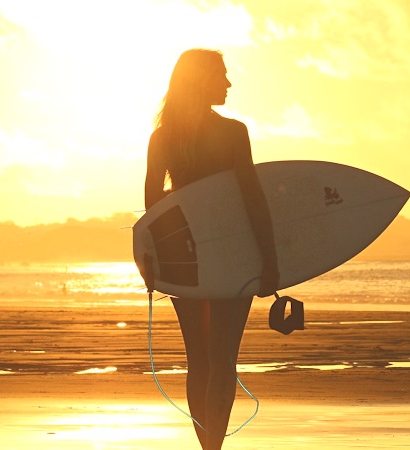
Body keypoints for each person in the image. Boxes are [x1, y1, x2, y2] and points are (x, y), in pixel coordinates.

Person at [145, 49, 280, 450]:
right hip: (234, 256)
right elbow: (253, 200)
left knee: (199, 361)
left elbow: (154, 207)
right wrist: (269, 260)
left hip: (184, 259)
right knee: (223, 360)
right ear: (201, 80)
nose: (228, 83)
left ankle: (208, 448)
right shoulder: (233, 133)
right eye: (221, 75)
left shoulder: (162, 137)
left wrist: (154, 262)